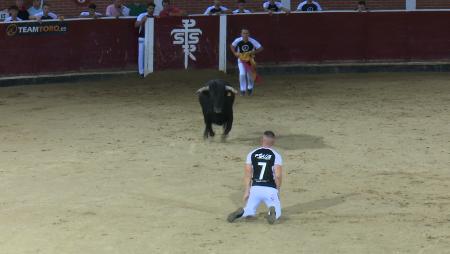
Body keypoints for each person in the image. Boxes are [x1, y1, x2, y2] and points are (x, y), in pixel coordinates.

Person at [227, 131, 283, 224]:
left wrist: (246, 191)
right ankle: (272, 212)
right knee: (277, 212)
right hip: (270, 189)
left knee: (250, 209)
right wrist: (277, 190)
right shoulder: (276, 156)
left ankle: (243, 212)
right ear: (273, 142)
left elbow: (248, 174)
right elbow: (277, 175)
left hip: (255, 188)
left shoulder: (252, 154)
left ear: (262, 140)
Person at [230, 28, 263, 96]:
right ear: (241, 34)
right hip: (241, 60)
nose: (245, 35)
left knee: (250, 75)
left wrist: (253, 52)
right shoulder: (238, 40)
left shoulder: (252, 41)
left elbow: (260, 48)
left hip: (250, 60)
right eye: (244, 33)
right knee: (242, 74)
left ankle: (250, 87)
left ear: (249, 34)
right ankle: (243, 89)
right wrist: (235, 53)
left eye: (247, 33)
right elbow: (232, 46)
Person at [135, 3, 156, 77]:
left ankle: (149, 70)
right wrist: (142, 21)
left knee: (150, 54)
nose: (151, 10)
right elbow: (136, 25)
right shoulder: (142, 15)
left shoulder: (155, 17)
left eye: (153, 8)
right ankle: (141, 71)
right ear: (147, 8)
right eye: (150, 8)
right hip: (142, 37)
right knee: (141, 55)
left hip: (150, 38)